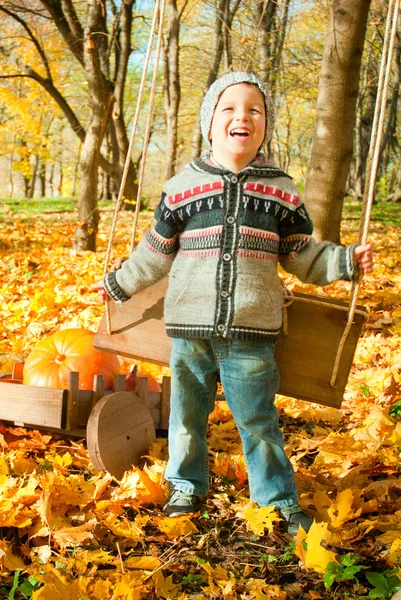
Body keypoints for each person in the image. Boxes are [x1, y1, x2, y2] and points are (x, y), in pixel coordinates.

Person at [92, 72, 373, 535]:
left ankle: (278, 499)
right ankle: (186, 483)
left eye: (254, 110)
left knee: (258, 420)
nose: (242, 116)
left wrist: (344, 260)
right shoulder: (182, 187)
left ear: (264, 126)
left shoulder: (279, 189)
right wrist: (117, 284)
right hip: (190, 330)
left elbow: (302, 253)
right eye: (229, 108)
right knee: (185, 416)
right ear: (209, 123)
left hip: (252, 330)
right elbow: (154, 253)